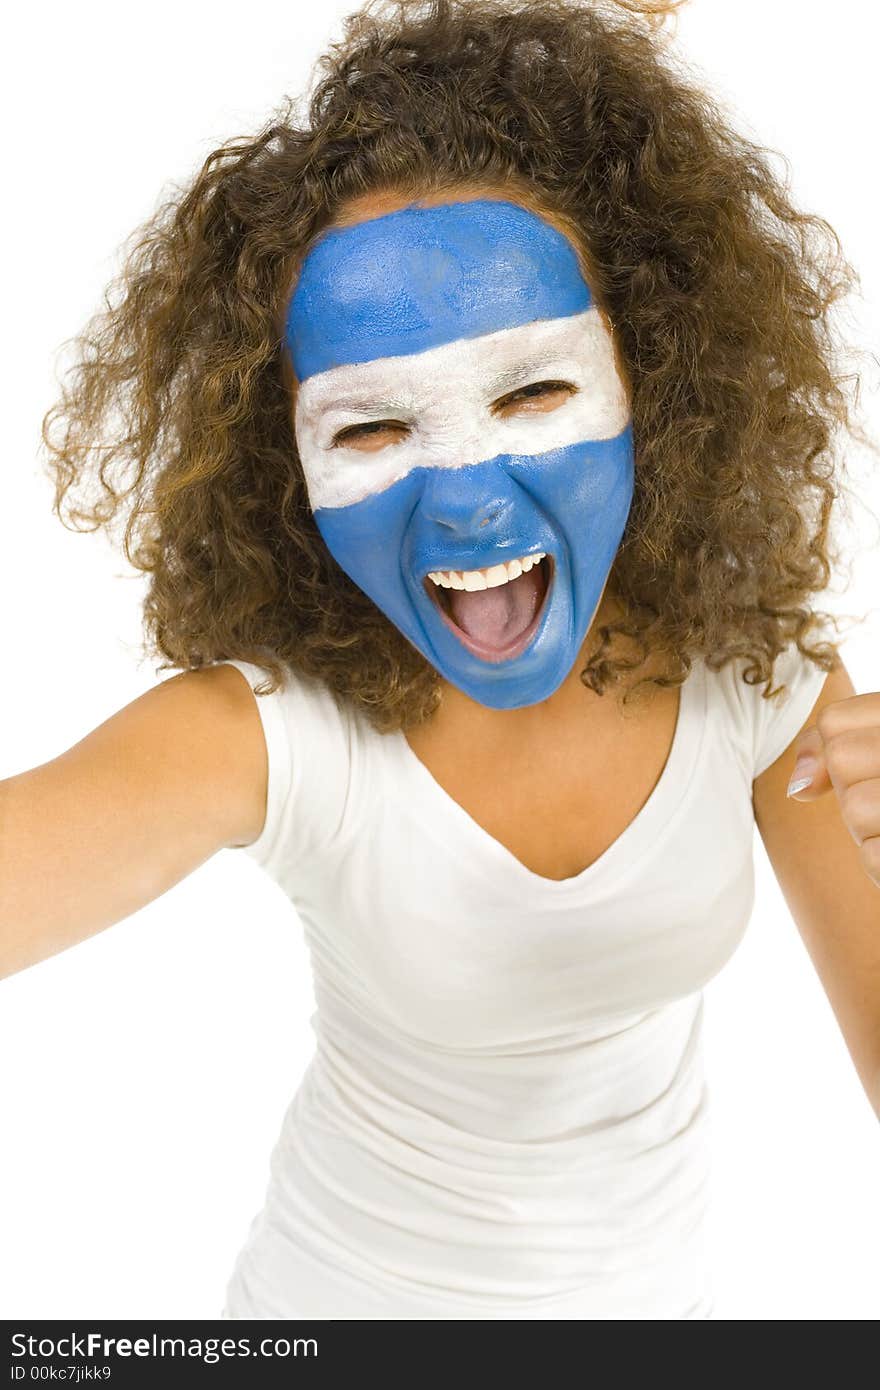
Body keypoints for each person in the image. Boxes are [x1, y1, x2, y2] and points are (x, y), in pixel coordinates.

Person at [2, 0, 879, 1321]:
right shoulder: (276, 733)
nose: (467, 507)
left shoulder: (757, 681)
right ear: (285, 469)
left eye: (533, 392)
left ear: (659, 379)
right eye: (371, 427)